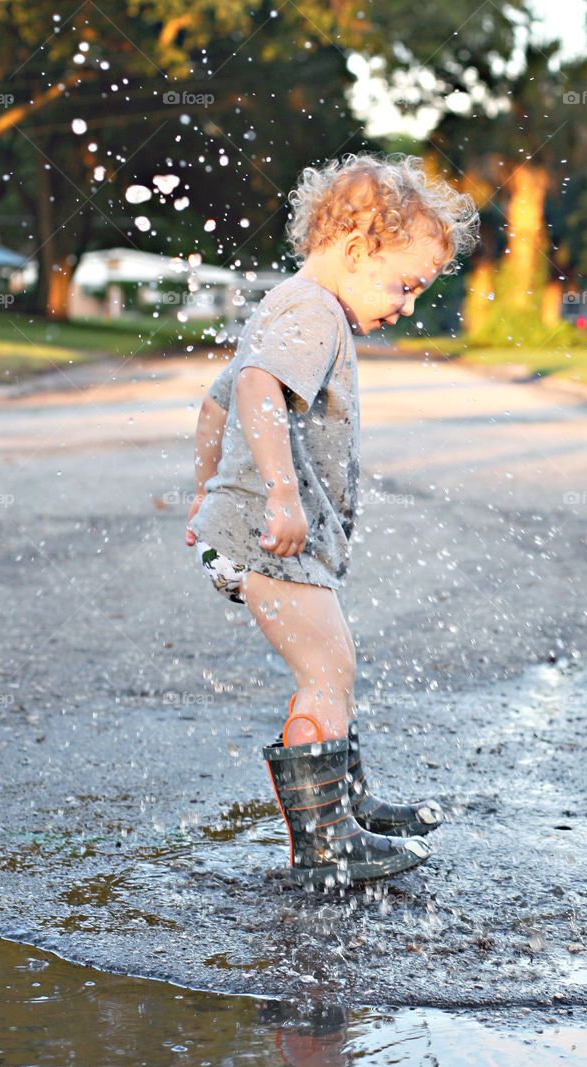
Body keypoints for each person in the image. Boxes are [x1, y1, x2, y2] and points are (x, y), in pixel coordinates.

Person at [185, 152, 479, 888]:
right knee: (325, 672)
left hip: (249, 527)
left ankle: (344, 809)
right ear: (354, 250)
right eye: (404, 284)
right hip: (268, 532)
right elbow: (253, 387)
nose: (407, 304)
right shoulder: (311, 311)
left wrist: (205, 495)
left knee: (333, 670)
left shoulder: (290, 304)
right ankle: (324, 845)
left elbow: (214, 401)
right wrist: (277, 495)